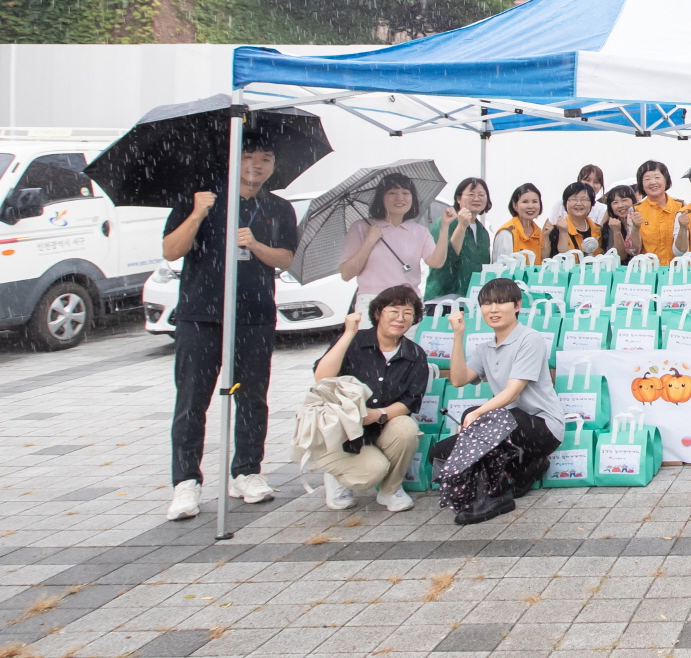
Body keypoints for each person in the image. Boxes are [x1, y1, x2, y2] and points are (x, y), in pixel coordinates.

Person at [162, 132, 299, 521]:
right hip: (201, 315)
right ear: (233, 158)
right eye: (249, 156)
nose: (257, 164)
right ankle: (186, 482)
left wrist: (255, 245)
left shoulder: (278, 207)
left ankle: (247, 472)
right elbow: (171, 251)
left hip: (254, 315)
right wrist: (197, 214)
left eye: (266, 158)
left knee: (253, 397)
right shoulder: (201, 198)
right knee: (192, 399)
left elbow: (285, 259)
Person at [437, 277, 564, 525]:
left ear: (517, 305)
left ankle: (493, 498)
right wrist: (458, 335)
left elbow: (512, 392)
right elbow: (458, 379)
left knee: (484, 418)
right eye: (487, 304)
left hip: (542, 428)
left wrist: (476, 414)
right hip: (508, 427)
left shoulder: (530, 338)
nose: (493, 309)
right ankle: (523, 470)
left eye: (501, 302)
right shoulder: (484, 348)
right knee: (444, 449)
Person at [309, 286, 429, 512]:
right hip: (343, 430)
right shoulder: (354, 341)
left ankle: (390, 490)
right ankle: (338, 475)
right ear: (377, 313)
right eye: (393, 311)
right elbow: (322, 377)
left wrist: (378, 414)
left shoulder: (414, 354)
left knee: (406, 429)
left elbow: (410, 401)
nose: (400, 318)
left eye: (408, 313)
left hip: (381, 426)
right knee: (372, 471)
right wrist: (348, 334)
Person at [339, 173, 449, 299]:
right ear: (381, 198)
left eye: (405, 193)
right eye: (392, 193)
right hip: (372, 301)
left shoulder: (420, 231)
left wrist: (445, 226)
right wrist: (369, 242)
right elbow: (346, 274)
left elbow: (436, 262)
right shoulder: (361, 227)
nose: (400, 198)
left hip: (409, 302)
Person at [424, 177, 492, 300]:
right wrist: (461, 226)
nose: (477, 198)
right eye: (471, 194)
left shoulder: (483, 231)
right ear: (458, 199)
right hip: (443, 299)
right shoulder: (446, 223)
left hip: (471, 298)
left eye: (482, 195)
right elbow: (443, 261)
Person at [633, 160, 684, 266]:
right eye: (647, 179)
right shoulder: (636, 210)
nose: (653, 182)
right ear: (641, 184)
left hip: (677, 269)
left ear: (666, 180)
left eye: (657, 177)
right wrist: (635, 228)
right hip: (648, 270)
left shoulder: (681, 206)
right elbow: (633, 250)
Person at [546, 182, 608, 258]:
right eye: (574, 199)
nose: (579, 203)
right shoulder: (556, 230)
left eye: (584, 199)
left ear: (591, 203)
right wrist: (563, 233)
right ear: (566, 203)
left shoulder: (599, 230)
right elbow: (562, 258)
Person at [492, 183, 545, 265]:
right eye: (525, 202)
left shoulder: (539, 232)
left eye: (534, 202)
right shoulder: (507, 233)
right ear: (515, 205)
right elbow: (501, 267)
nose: (530, 206)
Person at [600, 184, 640, 257]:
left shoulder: (641, 219)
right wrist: (616, 231)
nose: (620, 205)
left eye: (624, 200)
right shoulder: (608, 226)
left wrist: (636, 227)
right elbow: (619, 256)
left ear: (633, 201)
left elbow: (636, 250)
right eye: (615, 202)